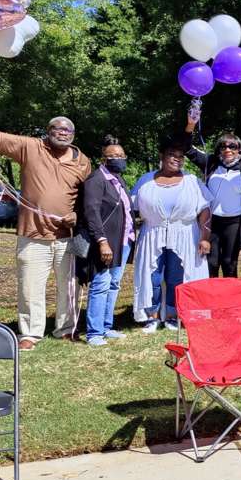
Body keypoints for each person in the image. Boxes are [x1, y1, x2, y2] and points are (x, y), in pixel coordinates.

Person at [0, 86, 91, 350]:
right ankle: (30, 333)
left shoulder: (82, 161)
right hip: (32, 235)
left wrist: (77, 215)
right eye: (57, 129)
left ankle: (66, 329)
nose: (62, 132)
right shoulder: (30, 147)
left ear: (73, 135)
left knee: (70, 286)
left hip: (67, 238)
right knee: (30, 287)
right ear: (48, 132)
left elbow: (89, 198)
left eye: (68, 130)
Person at [131, 134, 212, 331]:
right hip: (152, 235)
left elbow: (205, 210)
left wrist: (205, 238)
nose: (177, 159)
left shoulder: (192, 181)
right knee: (153, 276)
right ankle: (152, 316)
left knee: (178, 276)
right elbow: (131, 209)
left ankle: (172, 315)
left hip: (185, 235)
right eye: (172, 155)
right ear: (162, 156)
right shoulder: (145, 180)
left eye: (180, 156)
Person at [185, 127, 241, 279]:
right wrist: (191, 125)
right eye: (223, 146)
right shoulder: (211, 163)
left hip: (234, 223)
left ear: (239, 149)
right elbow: (188, 150)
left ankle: (231, 294)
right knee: (211, 263)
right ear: (219, 149)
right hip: (212, 222)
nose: (227, 150)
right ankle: (212, 293)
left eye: (232, 146)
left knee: (229, 263)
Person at [79, 136, 135, 347]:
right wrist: (102, 241)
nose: (118, 159)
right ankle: (94, 333)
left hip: (123, 241)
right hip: (105, 242)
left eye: (121, 155)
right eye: (113, 156)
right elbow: (91, 212)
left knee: (113, 284)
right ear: (103, 158)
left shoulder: (118, 179)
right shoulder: (96, 180)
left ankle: (106, 326)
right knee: (101, 284)